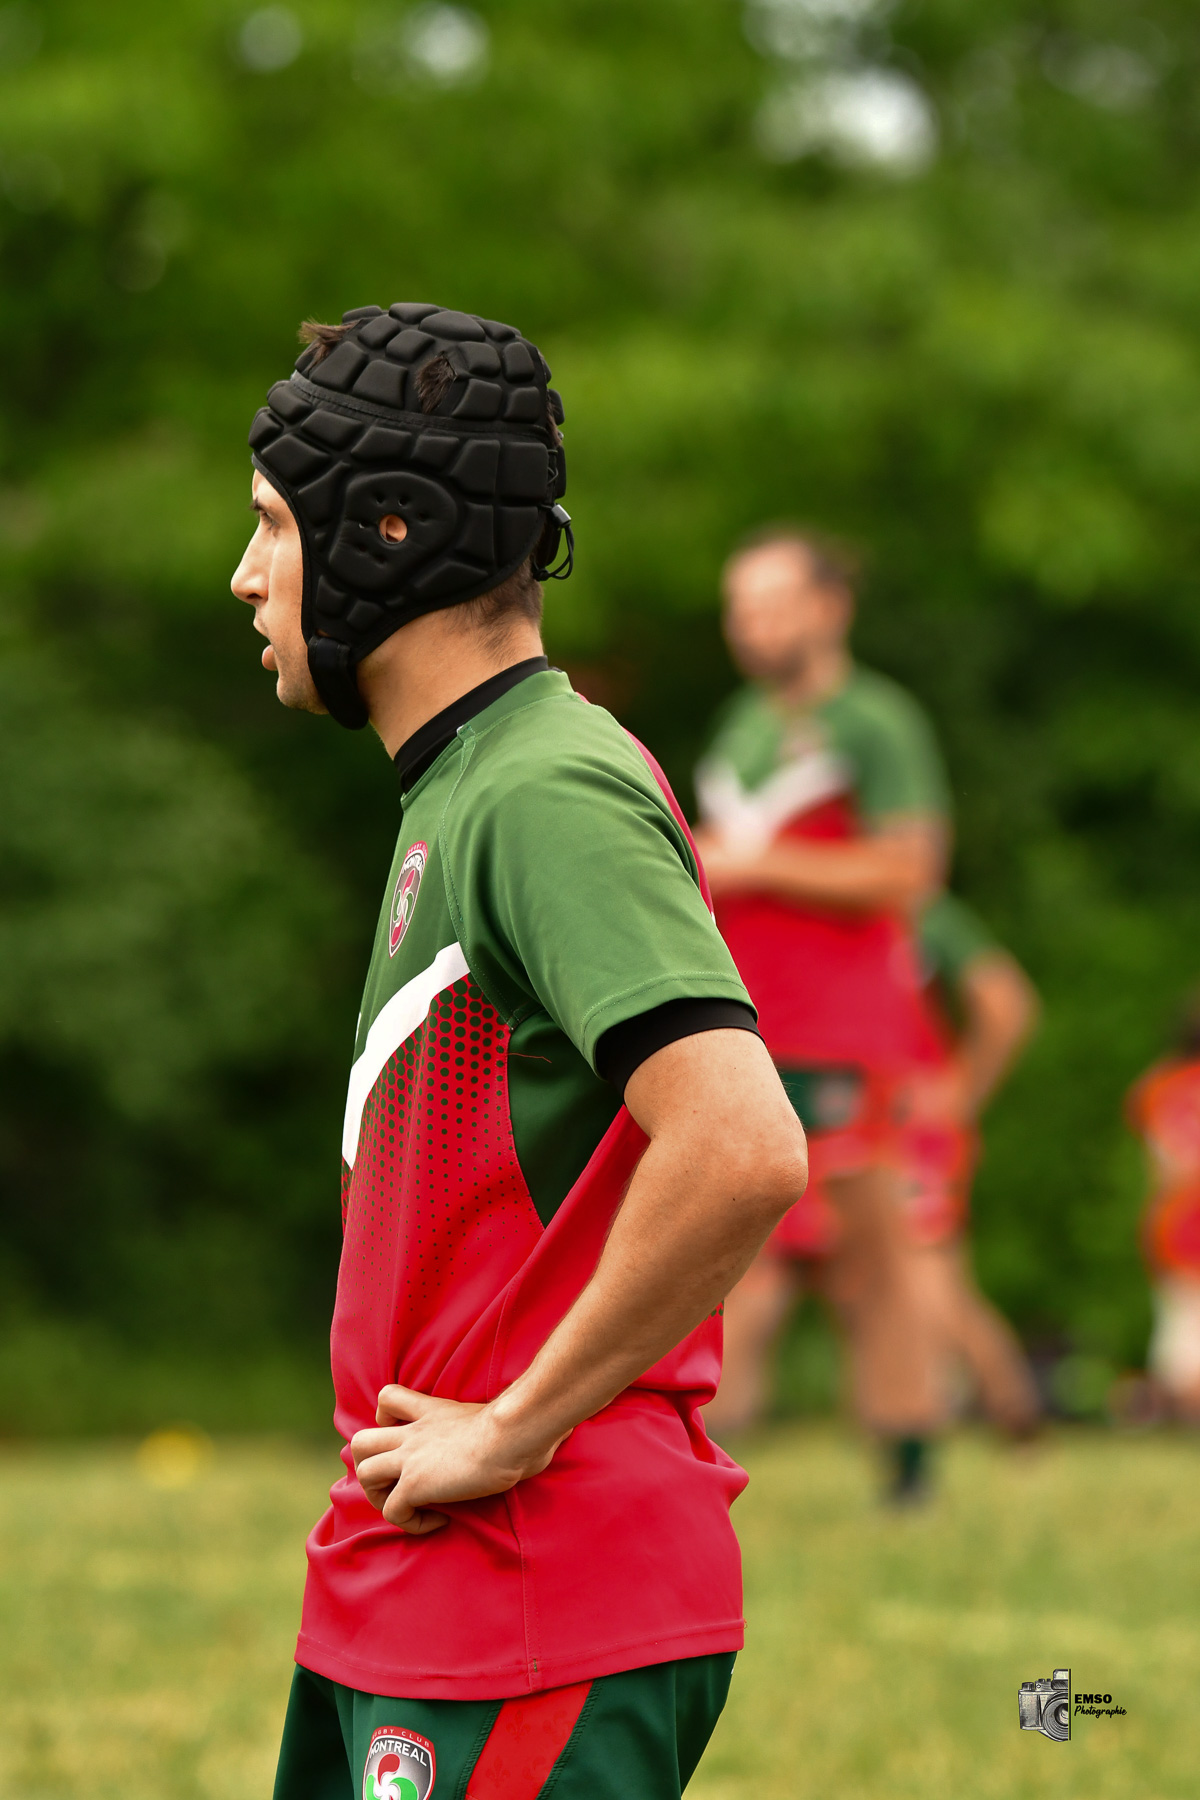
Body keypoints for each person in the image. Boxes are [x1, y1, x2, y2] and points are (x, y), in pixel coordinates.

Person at [231, 304, 807, 1800]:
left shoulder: (546, 786)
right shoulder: (461, 786)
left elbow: (741, 1145)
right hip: (417, 1581)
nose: (245, 579)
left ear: (386, 532)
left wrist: (512, 1426)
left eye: (271, 530)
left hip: (537, 1588)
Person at [692, 525, 950, 1498]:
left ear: (830, 607)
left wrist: (756, 862)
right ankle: (697, 1466)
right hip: (747, 1024)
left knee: (872, 1257)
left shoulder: (877, 721)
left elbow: (910, 867)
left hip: (847, 1030)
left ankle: (910, 1462)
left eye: (772, 603)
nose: (751, 626)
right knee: (727, 1253)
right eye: (739, 608)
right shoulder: (740, 723)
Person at [899, 892, 1041, 1437]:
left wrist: (958, 1092)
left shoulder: (923, 915)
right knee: (913, 1277)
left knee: (928, 1277)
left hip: (910, 1125)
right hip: (867, 1117)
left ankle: (1013, 1413)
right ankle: (1007, 1412)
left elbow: (1007, 1003)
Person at [1126, 996, 1200, 1423]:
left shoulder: (1159, 1087)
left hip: (1175, 1217)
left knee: (1182, 1333)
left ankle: (1171, 1408)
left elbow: (1158, 1160)